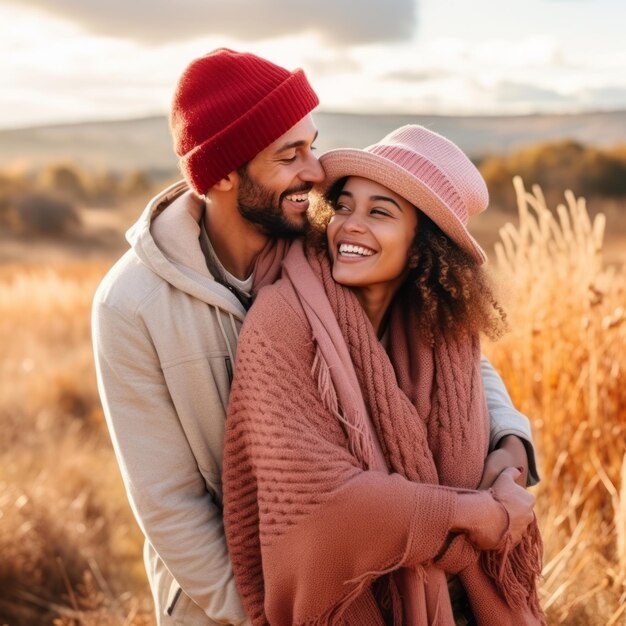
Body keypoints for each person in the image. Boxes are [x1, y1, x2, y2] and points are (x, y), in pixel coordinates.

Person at [92, 49, 539, 626]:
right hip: (227, 599)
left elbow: (445, 345)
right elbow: (169, 503)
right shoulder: (133, 304)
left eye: (312, 143)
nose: (315, 169)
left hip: (376, 579)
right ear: (224, 172)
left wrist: (510, 439)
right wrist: (265, 610)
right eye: (290, 155)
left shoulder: (323, 244)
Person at [222, 125, 545, 626]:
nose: (349, 225)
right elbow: (320, 503)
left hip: (459, 595)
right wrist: (470, 514)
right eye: (344, 205)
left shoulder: (443, 328)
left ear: (423, 245)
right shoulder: (284, 317)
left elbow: (482, 408)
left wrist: (510, 458)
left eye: (380, 212)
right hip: (356, 600)